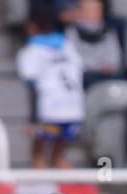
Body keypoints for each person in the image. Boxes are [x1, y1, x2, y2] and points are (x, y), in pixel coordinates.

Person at [16, 11, 86, 169]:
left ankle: (41, 192)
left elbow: (32, 86)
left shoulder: (31, 51)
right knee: (59, 158)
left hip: (50, 112)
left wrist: (33, 121)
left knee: (38, 156)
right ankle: (73, 192)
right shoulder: (68, 46)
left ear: (32, 27)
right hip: (74, 111)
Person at [66, 0, 123, 88]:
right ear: (80, 12)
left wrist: (108, 67)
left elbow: (115, 60)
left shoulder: (109, 32)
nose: (94, 12)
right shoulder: (71, 32)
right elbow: (73, 60)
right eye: (89, 10)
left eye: (97, 9)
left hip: (106, 76)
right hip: (84, 76)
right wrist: (96, 68)